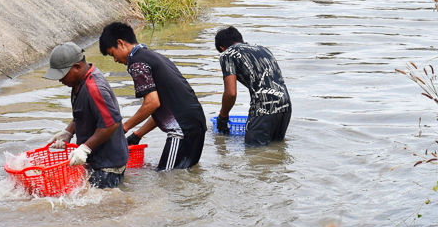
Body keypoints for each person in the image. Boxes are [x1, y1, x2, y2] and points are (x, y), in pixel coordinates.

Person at [99, 22, 208, 171]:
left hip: (182, 130)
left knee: (167, 178)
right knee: (184, 175)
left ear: (121, 43)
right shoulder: (155, 57)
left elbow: (152, 103)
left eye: (112, 54)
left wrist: (123, 128)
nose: (115, 60)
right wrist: (137, 135)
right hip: (196, 124)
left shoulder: (136, 63)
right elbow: (162, 109)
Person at [44, 42, 129, 188]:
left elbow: (111, 123)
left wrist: (85, 148)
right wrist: (68, 132)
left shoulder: (94, 88)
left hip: (107, 166)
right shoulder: (79, 81)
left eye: (62, 74)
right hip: (97, 161)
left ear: (77, 67)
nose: (60, 80)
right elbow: (85, 113)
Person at [215, 27, 292, 147]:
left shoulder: (227, 54)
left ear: (222, 48)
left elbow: (231, 93)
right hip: (285, 104)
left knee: (255, 155)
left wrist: (223, 116)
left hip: (264, 107)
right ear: (241, 39)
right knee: (276, 151)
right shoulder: (264, 50)